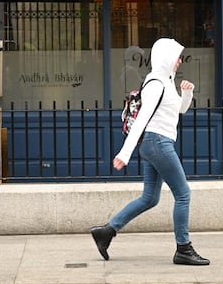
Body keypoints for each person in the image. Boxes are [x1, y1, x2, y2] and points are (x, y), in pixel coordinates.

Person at [90, 37, 210, 266]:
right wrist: (125, 153)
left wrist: (187, 93)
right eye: (177, 56)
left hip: (156, 143)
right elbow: (142, 118)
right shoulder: (155, 83)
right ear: (166, 58)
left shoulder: (167, 81)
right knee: (183, 194)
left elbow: (180, 110)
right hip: (158, 142)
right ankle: (183, 248)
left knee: (150, 198)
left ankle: (107, 231)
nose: (180, 60)